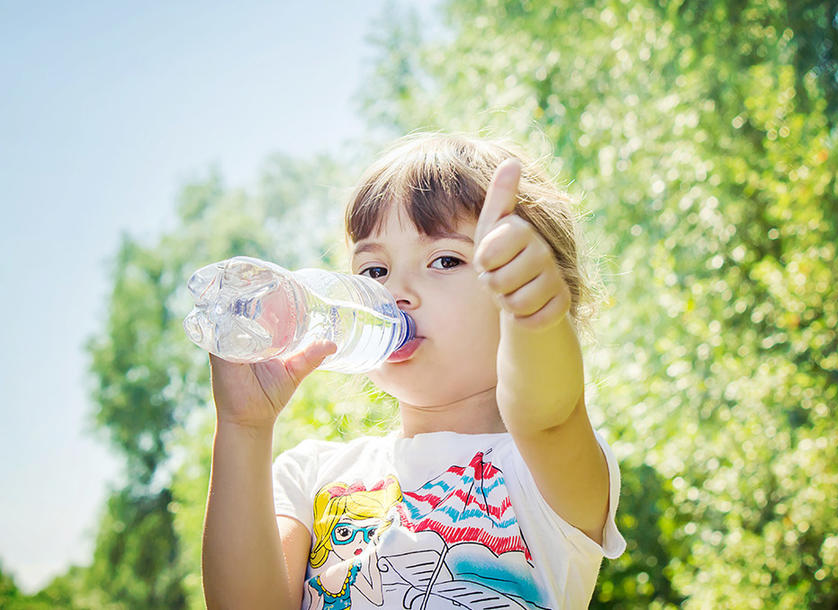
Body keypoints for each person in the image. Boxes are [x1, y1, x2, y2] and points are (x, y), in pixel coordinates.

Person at [201, 133, 626, 610]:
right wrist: (243, 428)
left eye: (445, 260)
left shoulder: (539, 474)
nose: (395, 292)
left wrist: (536, 317)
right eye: (374, 271)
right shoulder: (312, 475)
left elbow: (547, 412)